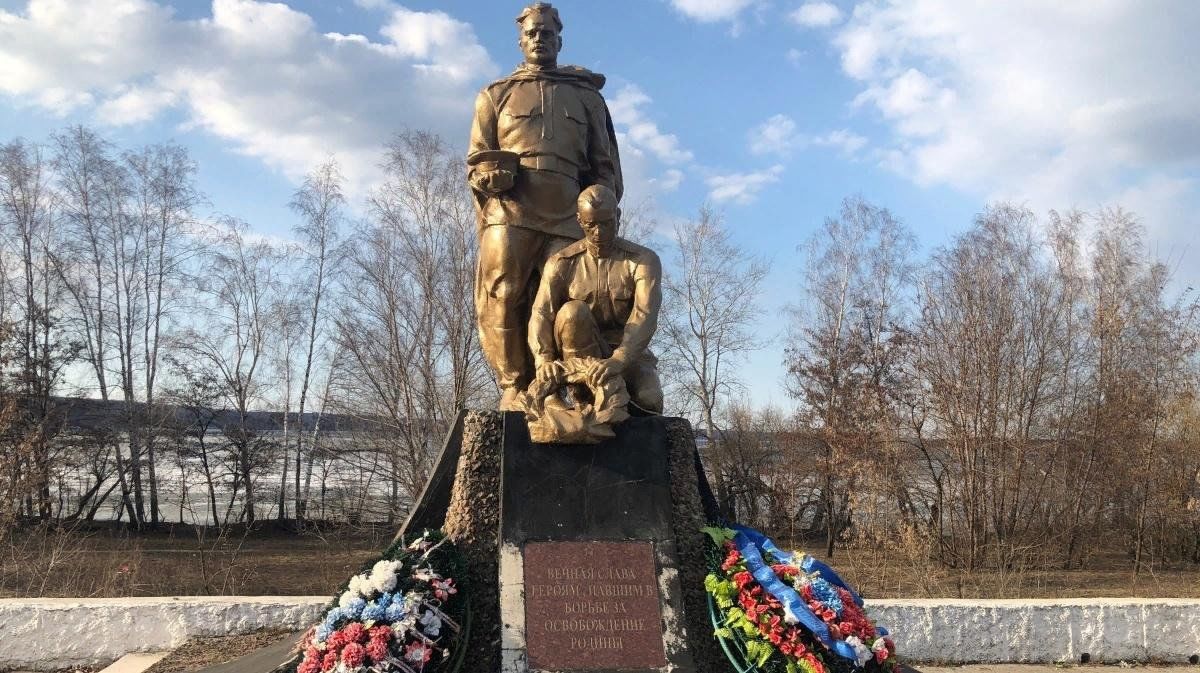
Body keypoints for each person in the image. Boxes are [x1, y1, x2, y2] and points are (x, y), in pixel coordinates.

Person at [468, 2, 623, 410]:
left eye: (547, 33)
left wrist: (600, 206)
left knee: (569, 301)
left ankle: (572, 386)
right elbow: (478, 160)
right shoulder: (495, 95)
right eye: (532, 32)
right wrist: (488, 178)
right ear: (521, 40)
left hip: (569, 211)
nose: (540, 38)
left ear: (560, 39)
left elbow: (602, 166)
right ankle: (515, 387)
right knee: (504, 292)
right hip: (511, 208)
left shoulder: (585, 97)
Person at [528, 185, 663, 414]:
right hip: (579, 355)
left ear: (618, 217)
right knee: (572, 312)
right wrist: (544, 360)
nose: (598, 233)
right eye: (591, 225)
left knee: (649, 401)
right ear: (579, 220)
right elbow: (541, 313)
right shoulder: (561, 263)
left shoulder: (643, 261)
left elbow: (645, 314)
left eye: (606, 223)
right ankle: (580, 394)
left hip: (627, 353)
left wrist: (619, 360)